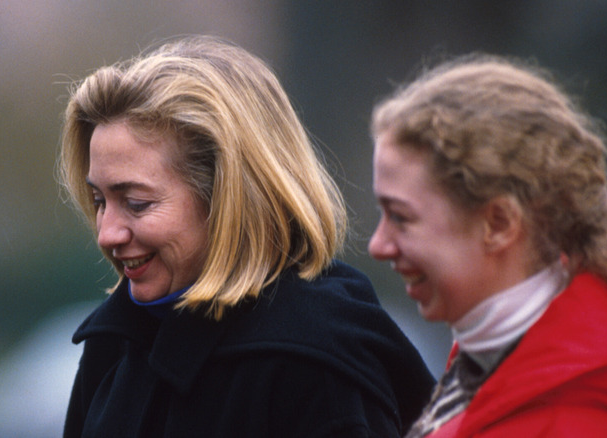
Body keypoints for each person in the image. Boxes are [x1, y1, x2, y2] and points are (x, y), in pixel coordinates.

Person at [57, 35, 435, 437]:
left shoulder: (314, 364)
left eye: (136, 203)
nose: (107, 233)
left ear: (230, 198)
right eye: (99, 200)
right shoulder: (114, 344)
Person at [367, 54, 607, 437]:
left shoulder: (571, 413)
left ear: (499, 223)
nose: (378, 244)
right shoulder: (508, 368)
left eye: (401, 218)